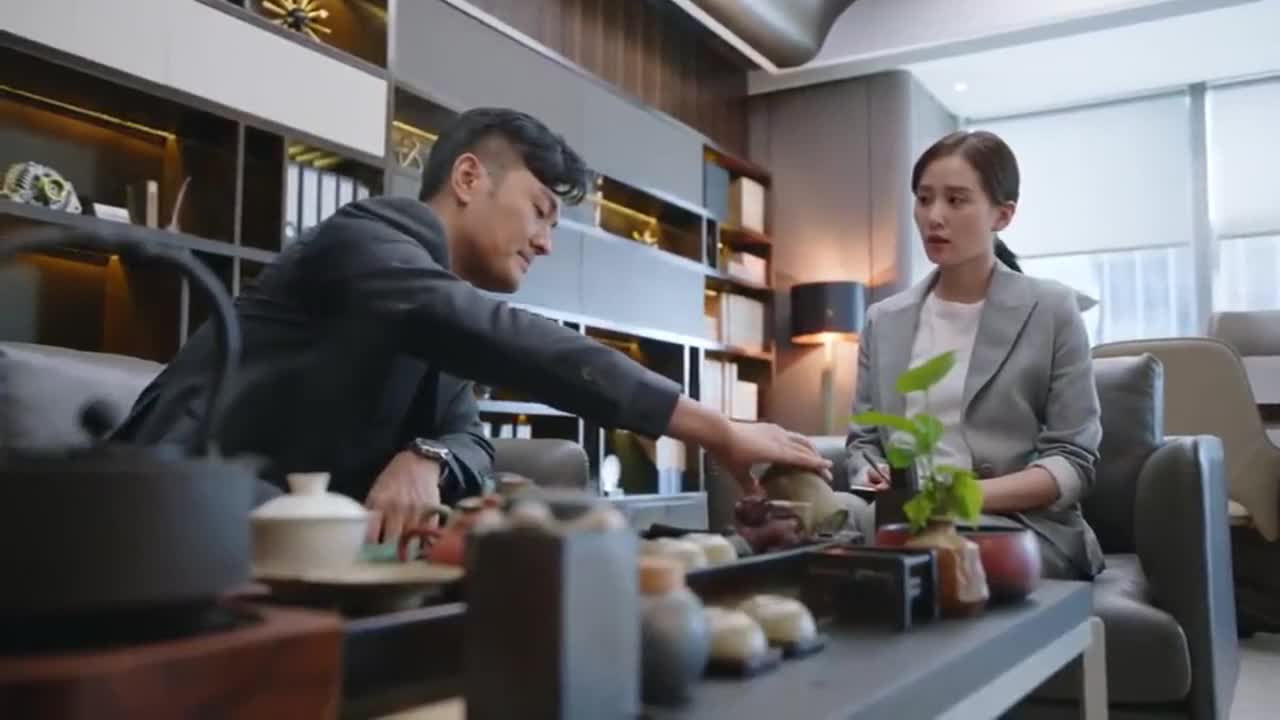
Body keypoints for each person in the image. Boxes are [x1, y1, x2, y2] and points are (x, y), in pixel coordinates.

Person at [113, 107, 831, 542]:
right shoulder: (367, 237)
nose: (546, 243)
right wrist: (716, 428)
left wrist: (426, 454)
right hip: (164, 510)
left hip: (292, 536)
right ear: (467, 178)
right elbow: (498, 335)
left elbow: (470, 438)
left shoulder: (442, 311)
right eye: (541, 211)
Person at [845, 130, 1104, 580]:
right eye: (924, 199)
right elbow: (864, 442)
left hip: (1018, 527)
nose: (934, 217)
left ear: (1003, 214)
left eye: (956, 200)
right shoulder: (883, 320)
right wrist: (875, 473)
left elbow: (1072, 461)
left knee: (927, 558)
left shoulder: (1053, 309)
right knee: (805, 522)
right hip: (899, 520)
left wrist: (952, 498)